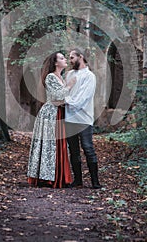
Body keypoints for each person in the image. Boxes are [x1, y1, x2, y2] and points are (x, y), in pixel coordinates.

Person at [27, 51, 76, 188]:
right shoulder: (50, 77)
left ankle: (59, 176)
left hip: (59, 112)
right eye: (61, 58)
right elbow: (56, 95)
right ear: (55, 63)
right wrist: (70, 86)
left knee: (59, 144)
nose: (65, 59)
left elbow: (64, 97)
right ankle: (48, 178)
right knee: (50, 146)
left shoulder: (61, 77)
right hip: (50, 114)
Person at [65, 48, 101, 189]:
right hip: (69, 119)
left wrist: (68, 101)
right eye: (69, 57)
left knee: (88, 148)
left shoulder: (89, 76)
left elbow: (84, 97)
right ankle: (78, 181)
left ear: (81, 57)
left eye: (72, 57)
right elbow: (64, 91)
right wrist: (66, 100)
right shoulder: (69, 74)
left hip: (84, 119)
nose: (70, 60)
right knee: (73, 150)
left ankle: (95, 182)